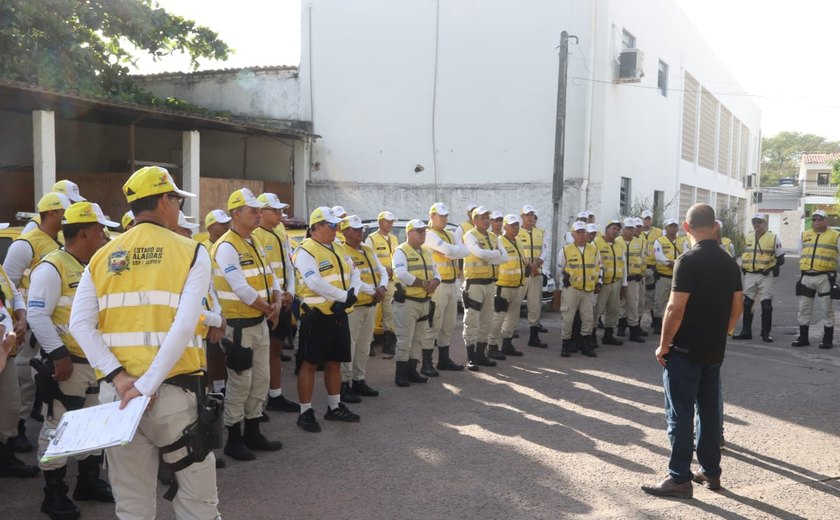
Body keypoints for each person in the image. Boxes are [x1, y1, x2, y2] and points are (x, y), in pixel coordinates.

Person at [69, 165, 220, 519]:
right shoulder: (191, 251)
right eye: (177, 199)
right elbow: (184, 326)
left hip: (119, 400)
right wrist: (147, 385)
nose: (179, 208)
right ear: (165, 202)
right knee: (196, 503)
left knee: (132, 505)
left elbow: (79, 325)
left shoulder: (101, 256)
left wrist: (121, 379)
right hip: (172, 397)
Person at [641, 203, 742, 499]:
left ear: (686, 228)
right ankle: (710, 471)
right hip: (714, 350)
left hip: (685, 350)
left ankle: (680, 478)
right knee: (709, 413)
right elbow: (738, 303)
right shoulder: (729, 262)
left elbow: (675, 307)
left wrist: (664, 343)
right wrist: (723, 332)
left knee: (680, 415)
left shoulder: (687, 260)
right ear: (714, 227)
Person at [28, 202, 117, 519]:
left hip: (94, 364)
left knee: (95, 425)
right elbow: (37, 315)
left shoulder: (94, 264)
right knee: (58, 427)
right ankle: (53, 495)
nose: (105, 235)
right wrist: (58, 355)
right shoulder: (52, 267)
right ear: (83, 233)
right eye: (99, 230)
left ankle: (88, 483)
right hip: (68, 365)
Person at [211, 188, 283, 461]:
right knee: (241, 382)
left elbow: (271, 277)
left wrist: (275, 303)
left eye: (258, 210)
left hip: (259, 322)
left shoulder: (253, 241)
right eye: (252, 211)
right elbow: (239, 288)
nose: (258, 214)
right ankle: (234, 437)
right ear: (235, 213)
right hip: (239, 326)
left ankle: (253, 431)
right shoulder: (227, 246)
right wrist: (270, 308)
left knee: (261, 379)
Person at [3, 192, 70, 453]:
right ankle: (16, 432)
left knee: (40, 382)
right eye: (64, 212)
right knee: (24, 383)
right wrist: (18, 323)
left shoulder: (57, 241)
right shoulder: (26, 244)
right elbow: (8, 287)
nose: (67, 217)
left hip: (49, 324)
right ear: (52, 213)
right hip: (28, 327)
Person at [292, 207, 362, 432]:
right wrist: (344, 296)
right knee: (310, 363)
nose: (337, 229)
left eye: (337, 225)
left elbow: (355, 273)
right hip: (317, 316)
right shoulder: (305, 251)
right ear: (317, 226)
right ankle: (305, 411)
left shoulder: (339, 247)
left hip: (339, 315)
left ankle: (334, 406)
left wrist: (352, 294)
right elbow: (314, 283)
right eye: (332, 225)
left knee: (335, 361)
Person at [254, 193, 300, 414]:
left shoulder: (280, 234)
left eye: (280, 210)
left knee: (275, 350)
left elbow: (288, 267)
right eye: (275, 210)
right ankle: (257, 402)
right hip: (267, 304)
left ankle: (275, 394)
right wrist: (276, 299)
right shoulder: (255, 236)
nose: (279, 214)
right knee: (262, 354)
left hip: (281, 302)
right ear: (260, 212)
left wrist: (290, 292)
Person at [338, 216, 387, 398]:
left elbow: (381, 270)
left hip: (370, 305)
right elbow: (354, 277)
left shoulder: (367, 249)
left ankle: (359, 380)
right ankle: (344, 384)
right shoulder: (342, 251)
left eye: (361, 229)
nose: (361, 232)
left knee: (364, 346)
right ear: (345, 232)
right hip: (354, 308)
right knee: (349, 346)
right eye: (356, 229)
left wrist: (382, 287)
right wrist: (374, 291)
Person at [392, 219, 440, 386]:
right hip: (407, 302)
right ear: (409, 233)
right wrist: (426, 284)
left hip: (424, 301)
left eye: (424, 231)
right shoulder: (401, 251)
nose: (422, 234)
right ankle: (400, 374)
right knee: (405, 339)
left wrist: (436, 281)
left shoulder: (427, 251)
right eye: (419, 231)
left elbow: (436, 272)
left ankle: (412, 370)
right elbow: (401, 273)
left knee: (418, 338)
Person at [423, 202, 469, 373]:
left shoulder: (449, 234)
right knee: (433, 324)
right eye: (440, 216)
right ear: (431, 216)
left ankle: (444, 359)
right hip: (437, 286)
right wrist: (453, 250)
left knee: (448, 324)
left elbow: (465, 251)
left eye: (445, 216)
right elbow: (454, 250)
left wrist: (451, 251)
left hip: (451, 283)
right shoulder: (428, 234)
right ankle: (426, 363)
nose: (444, 219)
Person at [462, 207, 509, 369]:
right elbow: (479, 253)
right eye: (482, 218)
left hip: (490, 284)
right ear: (474, 221)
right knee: (472, 320)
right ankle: (471, 357)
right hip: (474, 284)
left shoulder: (494, 237)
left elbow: (505, 258)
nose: (486, 221)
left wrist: (491, 254)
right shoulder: (470, 235)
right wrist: (495, 253)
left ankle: (481, 355)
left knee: (487, 320)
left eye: (488, 217)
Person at [733, 213, 784, 342]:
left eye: (759, 221)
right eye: (754, 221)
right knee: (747, 303)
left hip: (765, 275)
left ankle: (765, 333)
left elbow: (781, 259)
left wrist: (770, 268)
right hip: (750, 274)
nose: (756, 224)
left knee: (766, 305)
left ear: (764, 223)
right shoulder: (748, 237)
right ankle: (746, 331)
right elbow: (745, 254)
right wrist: (743, 267)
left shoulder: (773, 237)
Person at [792, 209, 840, 349]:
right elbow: (800, 253)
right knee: (804, 308)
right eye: (814, 219)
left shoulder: (835, 236)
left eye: (820, 219)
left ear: (826, 220)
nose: (817, 221)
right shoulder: (804, 235)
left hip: (825, 277)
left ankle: (827, 339)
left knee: (827, 308)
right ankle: (803, 337)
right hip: (807, 276)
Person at [557, 221, 600, 358]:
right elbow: (560, 269)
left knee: (588, 318)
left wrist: (597, 282)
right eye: (578, 232)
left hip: (587, 289)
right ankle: (566, 344)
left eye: (583, 232)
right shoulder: (565, 250)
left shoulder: (593, 249)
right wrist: (564, 282)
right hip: (572, 289)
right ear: (573, 234)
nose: (581, 235)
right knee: (568, 317)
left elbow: (597, 267)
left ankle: (586, 345)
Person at [490, 214, 527, 358]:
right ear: (504, 226)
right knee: (498, 318)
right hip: (503, 286)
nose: (515, 228)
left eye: (517, 225)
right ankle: (492, 346)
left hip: (517, 286)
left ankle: (507, 344)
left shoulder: (517, 241)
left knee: (512, 318)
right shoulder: (499, 241)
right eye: (512, 225)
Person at [365, 211, 399, 357]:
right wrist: (384, 270)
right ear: (380, 223)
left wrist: (393, 270)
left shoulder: (394, 238)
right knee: (374, 313)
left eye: (391, 222)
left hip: (391, 281)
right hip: (377, 282)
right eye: (387, 221)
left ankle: (388, 343)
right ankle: (369, 343)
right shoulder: (371, 239)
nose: (390, 224)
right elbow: (368, 258)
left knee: (389, 311)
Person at [517, 205, 549, 348]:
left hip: (536, 274)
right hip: (521, 274)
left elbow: (545, 250)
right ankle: (507, 336)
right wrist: (529, 266)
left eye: (532, 215)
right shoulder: (516, 232)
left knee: (535, 306)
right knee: (514, 304)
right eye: (527, 215)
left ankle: (534, 337)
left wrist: (538, 263)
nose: (530, 218)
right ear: (522, 217)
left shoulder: (540, 232)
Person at [593, 220, 627, 346]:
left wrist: (624, 284)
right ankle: (591, 336)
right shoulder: (596, 242)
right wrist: (596, 282)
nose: (616, 231)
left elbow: (623, 266)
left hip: (616, 283)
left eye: (618, 229)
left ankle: (608, 335)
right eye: (613, 228)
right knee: (597, 310)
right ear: (606, 229)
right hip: (602, 284)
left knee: (614, 310)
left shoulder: (619, 245)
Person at [619, 218, 646, 343]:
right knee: (620, 303)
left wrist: (642, 273)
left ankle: (634, 330)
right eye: (627, 228)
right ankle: (620, 327)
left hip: (634, 279)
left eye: (631, 228)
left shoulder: (639, 242)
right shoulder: (617, 241)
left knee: (633, 304)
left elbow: (643, 258)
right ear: (622, 229)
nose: (629, 231)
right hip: (620, 279)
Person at [652, 218, 680, 334]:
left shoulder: (682, 241)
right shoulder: (659, 240)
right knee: (660, 300)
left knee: (675, 302)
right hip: (663, 275)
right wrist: (670, 263)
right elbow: (658, 256)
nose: (672, 228)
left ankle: (673, 324)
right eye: (670, 226)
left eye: (674, 226)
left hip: (677, 276)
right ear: (666, 228)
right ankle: (658, 325)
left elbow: (687, 253)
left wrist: (678, 264)